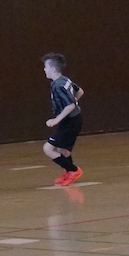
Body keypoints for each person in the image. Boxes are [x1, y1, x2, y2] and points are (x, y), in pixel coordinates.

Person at [41, 53, 84, 186]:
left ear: (53, 69)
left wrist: (57, 119)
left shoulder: (58, 86)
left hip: (71, 121)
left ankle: (74, 170)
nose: (44, 69)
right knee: (62, 149)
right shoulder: (65, 80)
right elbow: (80, 91)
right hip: (72, 119)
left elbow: (70, 105)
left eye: (46, 67)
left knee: (48, 148)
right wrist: (71, 105)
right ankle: (69, 172)